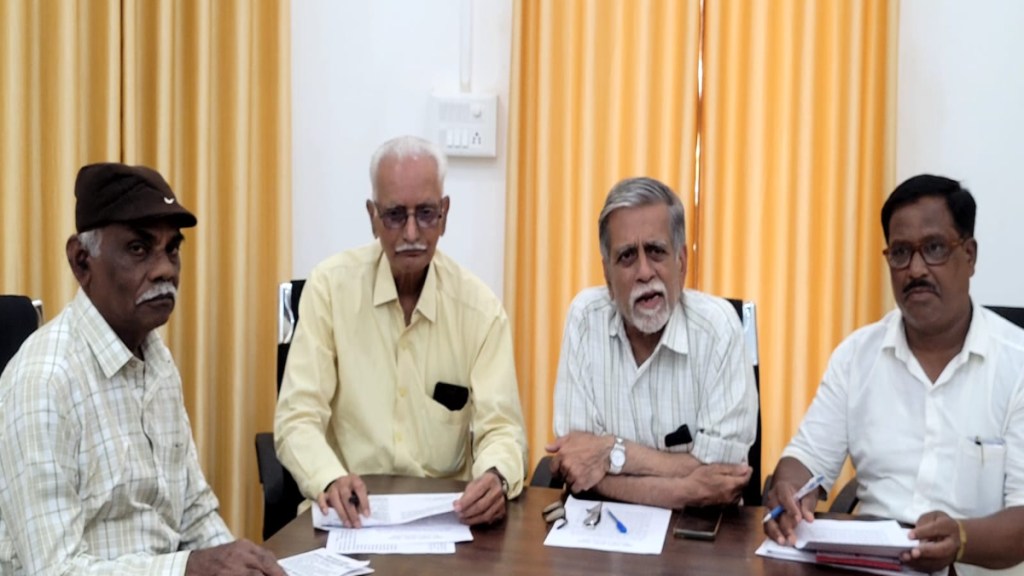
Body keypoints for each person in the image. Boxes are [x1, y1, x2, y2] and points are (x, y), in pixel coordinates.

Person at [0, 163, 283, 575]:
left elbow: (194, 513)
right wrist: (188, 569)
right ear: (82, 262)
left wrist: (242, 565)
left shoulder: (158, 361)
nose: (165, 269)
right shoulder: (43, 382)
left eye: (172, 249)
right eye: (138, 248)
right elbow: (55, 570)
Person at [764, 175, 1024, 576]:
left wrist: (961, 539)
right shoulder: (857, 355)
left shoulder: (1016, 364)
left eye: (934, 248)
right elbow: (806, 460)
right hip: (868, 568)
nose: (915, 269)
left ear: (970, 255)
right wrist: (789, 490)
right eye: (900, 252)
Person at [274, 135, 527, 528]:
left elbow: (502, 429)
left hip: (443, 522)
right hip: (348, 516)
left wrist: (495, 475)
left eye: (425, 213)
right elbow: (297, 417)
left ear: (444, 214)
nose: (411, 233)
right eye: (395, 215)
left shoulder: (480, 311)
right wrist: (329, 478)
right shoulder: (329, 290)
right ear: (372, 217)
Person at [546, 176, 759, 509]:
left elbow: (725, 475)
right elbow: (576, 464)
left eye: (656, 252)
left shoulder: (719, 329)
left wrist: (611, 452)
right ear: (607, 275)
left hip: (703, 531)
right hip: (604, 528)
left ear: (681, 262)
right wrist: (685, 490)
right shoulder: (585, 319)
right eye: (627, 256)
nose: (645, 272)